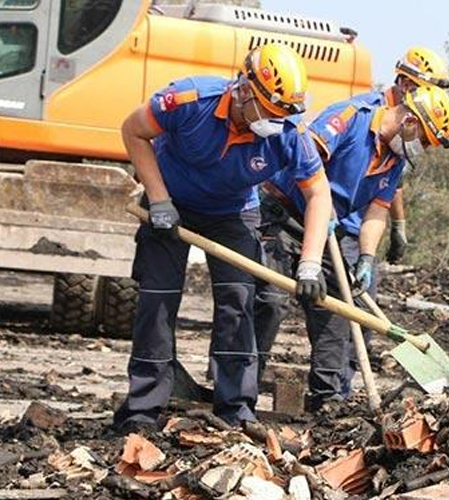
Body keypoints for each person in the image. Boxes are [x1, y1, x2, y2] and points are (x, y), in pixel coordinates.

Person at [113, 43, 333, 431]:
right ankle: (143, 411)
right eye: (270, 112)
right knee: (158, 302)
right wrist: (160, 199)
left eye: (283, 115)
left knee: (238, 303)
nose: (275, 123)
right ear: (245, 89)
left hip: (233, 213)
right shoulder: (189, 100)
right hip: (171, 203)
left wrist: (311, 263)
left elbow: (318, 192)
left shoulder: (287, 133)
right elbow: (133, 131)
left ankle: (235, 410)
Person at [254, 85, 449, 411]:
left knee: (338, 308)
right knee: (270, 302)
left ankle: (328, 401)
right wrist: (320, 203)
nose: (420, 150)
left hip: (327, 231)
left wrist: (365, 256)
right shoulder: (350, 117)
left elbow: (377, 209)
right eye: (423, 142)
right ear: (409, 122)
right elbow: (306, 157)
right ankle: (240, 394)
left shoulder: (394, 159)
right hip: (283, 214)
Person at [348, 46, 449, 264]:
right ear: (406, 85)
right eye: (427, 90)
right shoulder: (367, 112)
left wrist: (398, 225)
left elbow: (393, 182)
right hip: (339, 223)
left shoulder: (411, 129)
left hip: (363, 228)